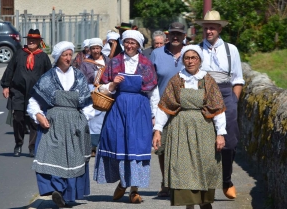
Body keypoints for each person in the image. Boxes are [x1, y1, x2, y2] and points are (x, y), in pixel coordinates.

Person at [152, 45, 226, 209]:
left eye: (194, 58)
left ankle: (205, 203)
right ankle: (189, 205)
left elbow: (217, 109)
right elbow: (165, 107)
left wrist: (220, 133)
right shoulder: (176, 80)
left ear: (200, 60)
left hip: (204, 128)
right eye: (187, 58)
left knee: (206, 164)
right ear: (183, 60)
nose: (190, 61)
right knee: (183, 167)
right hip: (180, 128)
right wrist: (158, 130)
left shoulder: (207, 80)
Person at [93, 30, 159, 204]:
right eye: (127, 42)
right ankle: (123, 183)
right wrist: (113, 84)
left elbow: (153, 93)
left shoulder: (146, 63)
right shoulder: (114, 62)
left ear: (139, 45)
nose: (130, 46)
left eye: (133, 43)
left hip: (139, 110)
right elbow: (101, 89)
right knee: (120, 145)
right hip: (118, 109)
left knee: (137, 147)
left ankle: (134, 190)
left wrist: (154, 116)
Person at [27, 41, 94, 208]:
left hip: (74, 123)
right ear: (57, 57)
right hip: (54, 123)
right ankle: (56, 190)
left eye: (70, 55)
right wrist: (39, 116)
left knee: (72, 158)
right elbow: (33, 101)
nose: (68, 58)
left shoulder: (78, 76)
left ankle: (65, 195)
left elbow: (88, 103)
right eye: (65, 55)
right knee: (50, 155)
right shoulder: (48, 78)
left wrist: (83, 119)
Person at [194, 10, 245, 199]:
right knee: (203, 141)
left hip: (226, 94)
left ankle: (226, 180)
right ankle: (204, 183)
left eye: (212, 28)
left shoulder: (231, 50)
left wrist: (234, 100)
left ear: (219, 28)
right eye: (206, 28)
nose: (209, 31)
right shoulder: (196, 49)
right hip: (203, 94)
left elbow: (238, 79)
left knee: (229, 142)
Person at [0, 29, 52, 157]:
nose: (31, 42)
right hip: (18, 92)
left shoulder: (43, 57)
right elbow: (10, 69)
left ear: (39, 42)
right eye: (29, 39)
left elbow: (49, 75)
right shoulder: (19, 54)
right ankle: (18, 143)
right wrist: (6, 86)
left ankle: (32, 147)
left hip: (36, 93)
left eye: (34, 40)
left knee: (34, 120)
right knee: (18, 118)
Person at [150, 22, 186, 197]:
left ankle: (180, 182)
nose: (176, 37)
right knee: (162, 148)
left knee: (183, 147)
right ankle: (165, 182)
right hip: (162, 107)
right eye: (173, 33)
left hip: (186, 108)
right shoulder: (156, 54)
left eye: (179, 34)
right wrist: (152, 112)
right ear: (168, 35)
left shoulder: (191, 54)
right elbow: (150, 83)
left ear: (184, 35)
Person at [79, 37, 110, 157]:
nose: (96, 51)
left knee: (104, 119)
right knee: (92, 120)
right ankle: (92, 145)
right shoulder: (85, 64)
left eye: (97, 48)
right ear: (89, 50)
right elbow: (81, 79)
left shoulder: (109, 61)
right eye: (93, 49)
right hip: (91, 92)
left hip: (105, 92)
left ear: (101, 49)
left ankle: (103, 145)